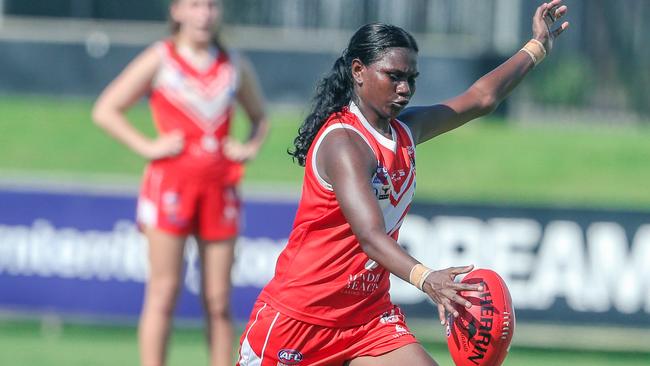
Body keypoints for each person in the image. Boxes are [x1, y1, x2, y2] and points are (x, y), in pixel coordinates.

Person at [237, 1, 568, 365]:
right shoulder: (343, 142)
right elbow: (370, 236)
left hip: (367, 319)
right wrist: (428, 279)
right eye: (393, 76)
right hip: (301, 318)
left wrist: (536, 47)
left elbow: (481, 99)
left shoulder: (405, 132)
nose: (404, 88)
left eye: (411, 78)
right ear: (359, 71)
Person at [92, 0, 269, 365]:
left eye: (211, 6)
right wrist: (147, 145)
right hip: (170, 187)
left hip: (220, 189)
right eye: (195, 5)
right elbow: (106, 109)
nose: (204, 13)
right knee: (164, 291)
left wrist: (249, 146)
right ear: (176, 11)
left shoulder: (232, 63)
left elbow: (259, 116)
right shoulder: (161, 58)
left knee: (219, 300)